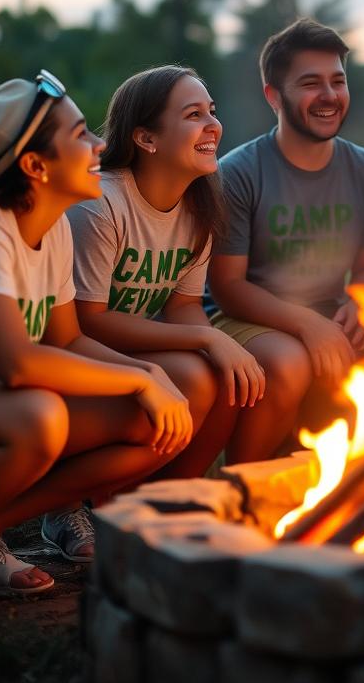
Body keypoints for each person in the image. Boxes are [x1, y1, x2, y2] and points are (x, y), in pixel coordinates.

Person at [0, 73, 191, 626]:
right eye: (83, 135)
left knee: (152, 420)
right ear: (36, 167)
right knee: (38, 415)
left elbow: (67, 340)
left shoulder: (52, 223)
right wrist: (139, 379)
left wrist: (152, 376)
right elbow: (18, 364)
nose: (101, 147)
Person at [207, 18, 364, 461]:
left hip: (326, 313)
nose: (329, 96)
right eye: (311, 83)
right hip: (241, 317)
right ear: (274, 96)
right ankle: (241, 484)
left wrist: (362, 304)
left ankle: (351, 490)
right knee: (290, 363)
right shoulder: (238, 172)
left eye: (338, 81)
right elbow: (228, 288)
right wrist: (309, 325)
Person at [67, 66, 265, 480]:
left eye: (212, 111)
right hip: (75, 356)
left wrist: (220, 349)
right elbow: (87, 321)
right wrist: (208, 336)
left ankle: (176, 499)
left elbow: (183, 305)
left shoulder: (199, 210)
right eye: (194, 115)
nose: (214, 125)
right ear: (146, 138)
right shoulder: (101, 204)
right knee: (197, 374)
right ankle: (79, 504)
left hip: (128, 349)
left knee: (224, 379)